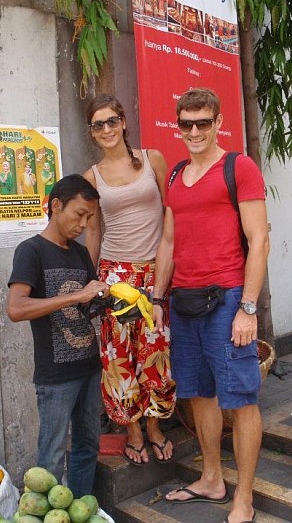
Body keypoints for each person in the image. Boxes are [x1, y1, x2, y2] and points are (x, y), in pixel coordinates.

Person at [152, 88, 269, 523]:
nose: (196, 130)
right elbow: (167, 241)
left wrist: (248, 308)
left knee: (240, 399)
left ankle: (245, 497)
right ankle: (213, 479)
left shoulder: (239, 167)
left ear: (219, 122)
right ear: (178, 125)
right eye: (187, 123)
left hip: (228, 301)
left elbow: (259, 241)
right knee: (198, 394)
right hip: (183, 301)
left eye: (204, 122)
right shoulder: (176, 175)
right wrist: (158, 298)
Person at [83, 94, 176, 466]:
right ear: (91, 132)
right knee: (118, 358)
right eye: (97, 125)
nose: (106, 129)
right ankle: (133, 432)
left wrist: (168, 272)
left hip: (154, 272)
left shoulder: (153, 158)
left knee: (155, 354)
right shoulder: (92, 177)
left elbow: (171, 213)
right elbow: (92, 233)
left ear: (123, 121)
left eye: (111, 121)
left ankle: (154, 427)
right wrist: (92, 284)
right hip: (115, 275)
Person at [6, 174, 110, 497]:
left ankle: (79, 511)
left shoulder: (80, 254)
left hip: (89, 368)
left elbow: (87, 305)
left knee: (87, 447)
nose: (83, 224)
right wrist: (73, 297)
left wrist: (111, 303)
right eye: (78, 214)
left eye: (89, 218)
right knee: (50, 459)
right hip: (55, 377)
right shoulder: (31, 251)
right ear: (55, 206)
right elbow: (16, 308)